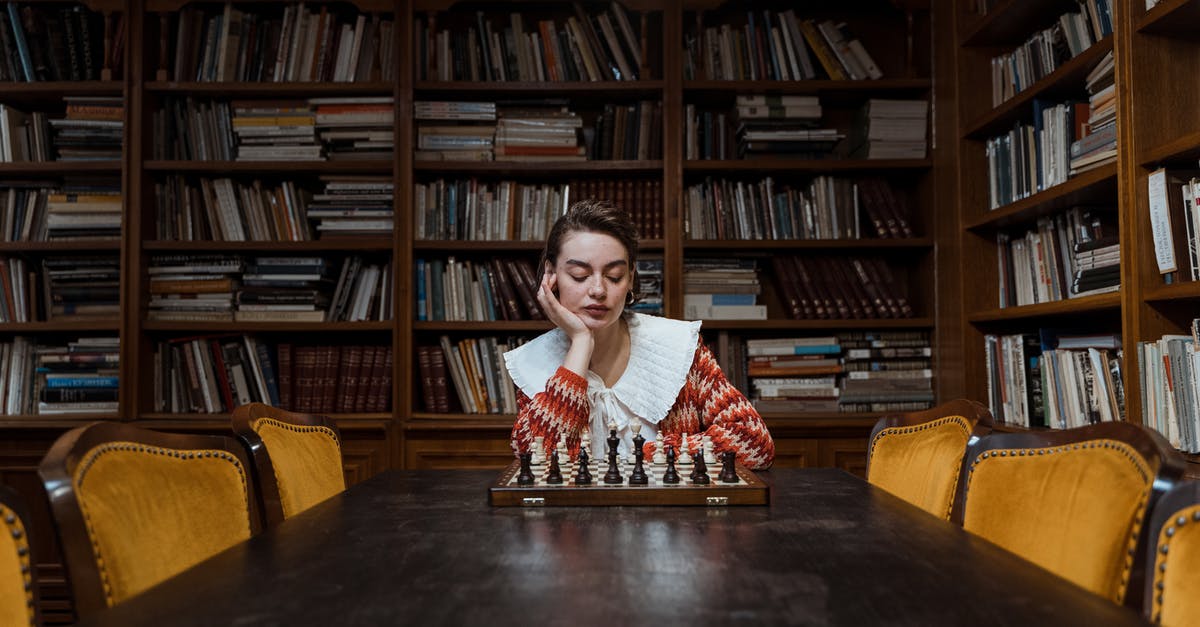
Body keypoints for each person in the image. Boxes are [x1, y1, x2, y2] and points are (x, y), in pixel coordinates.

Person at [504, 199, 774, 469]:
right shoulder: (533, 362)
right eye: (579, 275)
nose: (598, 290)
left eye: (614, 275)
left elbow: (753, 442)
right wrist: (581, 343)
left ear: (631, 277)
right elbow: (539, 463)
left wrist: (643, 458)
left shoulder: (677, 347)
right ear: (551, 275)